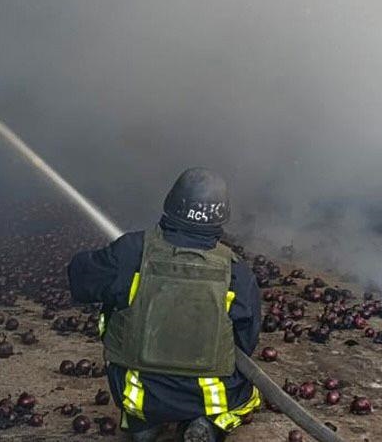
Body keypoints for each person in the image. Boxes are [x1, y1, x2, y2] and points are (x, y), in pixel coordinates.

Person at [68, 168, 262, 442]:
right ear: (221, 217)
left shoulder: (131, 251)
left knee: (118, 316)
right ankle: (209, 424)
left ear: (171, 205)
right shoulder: (237, 272)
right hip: (207, 393)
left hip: (141, 391)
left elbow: (79, 280)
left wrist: (111, 262)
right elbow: (246, 340)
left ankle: (141, 424)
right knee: (249, 396)